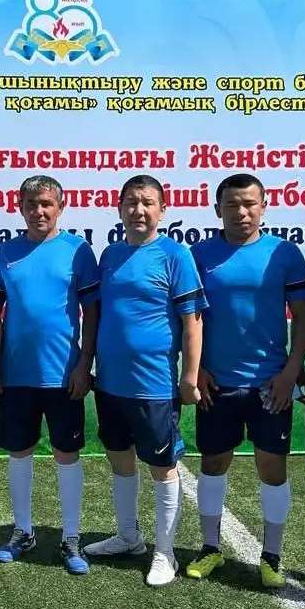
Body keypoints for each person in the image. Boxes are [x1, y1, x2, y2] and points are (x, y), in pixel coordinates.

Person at [186, 173, 305, 587]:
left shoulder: (284, 254)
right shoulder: (199, 254)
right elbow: (191, 318)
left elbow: (304, 317)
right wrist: (198, 367)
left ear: (264, 206)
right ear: (217, 208)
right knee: (213, 463)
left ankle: (272, 555)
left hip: (269, 385)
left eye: (249, 204)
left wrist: (291, 371)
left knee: (272, 468)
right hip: (216, 383)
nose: (241, 212)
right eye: (232, 205)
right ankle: (210, 548)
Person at [83, 174, 207, 587]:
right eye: (131, 202)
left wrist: (189, 376)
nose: (139, 210)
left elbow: (193, 323)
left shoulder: (176, 255)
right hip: (110, 384)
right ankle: (129, 537)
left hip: (153, 386)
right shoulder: (110, 255)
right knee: (120, 460)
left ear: (162, 209)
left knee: (161, 467)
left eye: (148, 202)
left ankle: (165, 552)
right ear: (120, 209)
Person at [0, 175, 100, 575]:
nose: (39, 211)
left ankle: (71, 538)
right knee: (19, 453)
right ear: (20, 207)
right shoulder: (5, 254)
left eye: (47, 204)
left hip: (64, 375)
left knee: (66, 455)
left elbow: (93, 313)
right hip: (17, 376)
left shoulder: (77, 251)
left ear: (60, 206)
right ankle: (23, 531)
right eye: (31, 204)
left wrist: (84, 364)